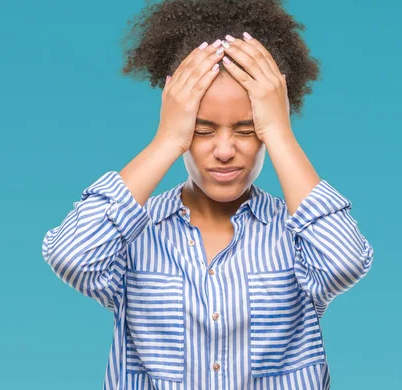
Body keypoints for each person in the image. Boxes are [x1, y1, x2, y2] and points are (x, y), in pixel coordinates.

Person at [41, 0, 374, 388]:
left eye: (248, 130)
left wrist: (281, 132)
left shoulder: (296, 237)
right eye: (201, 130)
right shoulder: (137, 234)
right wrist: (166, 140)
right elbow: (72, 256)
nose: (224, 149)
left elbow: (345, 261)